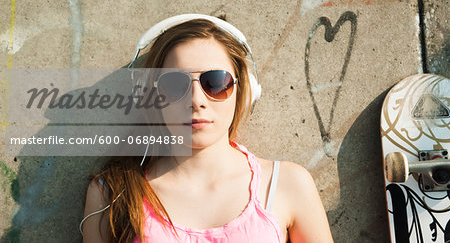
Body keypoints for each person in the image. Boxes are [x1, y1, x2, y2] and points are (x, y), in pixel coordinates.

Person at [81, 15, 334, 243]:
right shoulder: (111, 194)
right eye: (174, 84)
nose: (196, 100)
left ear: (243, 91)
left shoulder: (286, 185)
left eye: (215, 82)